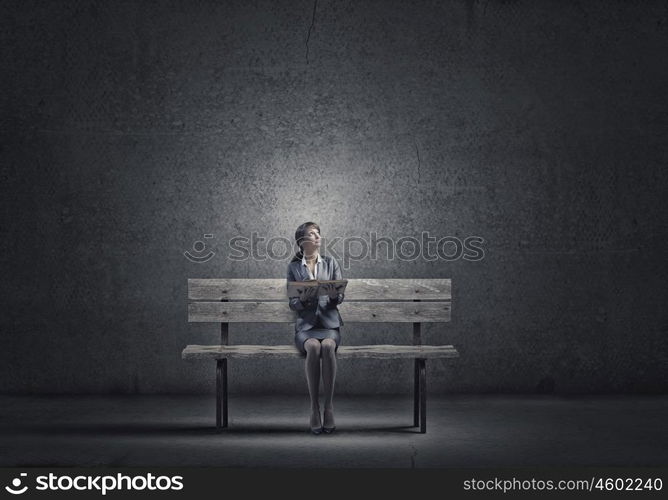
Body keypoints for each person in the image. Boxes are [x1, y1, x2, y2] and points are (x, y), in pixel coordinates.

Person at [286, 222, 345, 434]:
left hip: (329, 325)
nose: (318, 236)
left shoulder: (331, 262)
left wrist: (334, 296)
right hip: (306, 328)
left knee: (328, 346)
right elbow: (292, 302)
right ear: (303, 242)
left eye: (318, 233)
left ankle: (328, 407)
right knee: (313, 347)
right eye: (312, 234)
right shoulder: (294, 267)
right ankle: (314, 408)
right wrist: (303, 299)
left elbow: (340, 295)